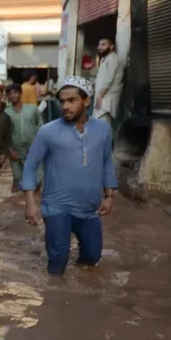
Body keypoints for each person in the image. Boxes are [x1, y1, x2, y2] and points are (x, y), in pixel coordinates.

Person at [21, 76, 117, 276]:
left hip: (90, 207)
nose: (65, 106)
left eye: (72, 100)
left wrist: (109, 196)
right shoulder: (47, 132)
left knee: (92, 257)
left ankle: (80, 299)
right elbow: (30, 166)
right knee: (58, 260)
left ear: (86, 101)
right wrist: (30, 203)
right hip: (56, 207)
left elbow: (106, 161)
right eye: (62, 101)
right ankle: (54, 300)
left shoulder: (103, 130)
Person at [5, 83, 43, 193]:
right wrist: (10, 151)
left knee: (37, 179)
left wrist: (40, 148)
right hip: (16, 151)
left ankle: (34, 203)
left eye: (15, 92)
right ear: (7, 97)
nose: (12, 95)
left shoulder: (32, 109)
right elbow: (4, 135)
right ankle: (14, 206)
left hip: (33, 149)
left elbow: (40, 128)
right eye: (10, 93)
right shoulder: (7, 113)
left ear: (21, 94)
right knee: (17, 180)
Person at [93, 37, 124, 126]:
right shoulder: (105, 59)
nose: (100, 47)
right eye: (99, 45)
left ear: (111, 46)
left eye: (103, 45)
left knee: (103, 128)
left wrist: (99, 96)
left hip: (106, 101)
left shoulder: (113, 58)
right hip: (102, 100)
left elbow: (109, 79)